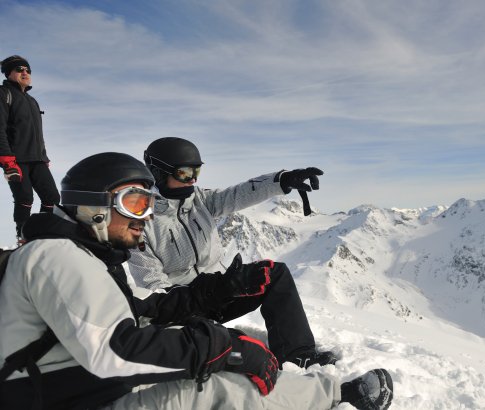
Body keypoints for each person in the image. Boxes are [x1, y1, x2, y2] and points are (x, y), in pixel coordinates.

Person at [0, 152, 393, 410]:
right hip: (72, 397)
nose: (145, 216)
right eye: (135, 203)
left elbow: (137, 314)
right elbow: (115, 350)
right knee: (218, 385)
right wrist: (221, 345)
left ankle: (319, 380)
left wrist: (281, 181)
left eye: (148, 204)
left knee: (264, 290)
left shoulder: (86, 257)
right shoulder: (56, 255)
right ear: (93, 204)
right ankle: (334, 397)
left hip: (84, 387)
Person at [128, 137, 335, 369]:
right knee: (234, 350)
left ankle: (298, 355)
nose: (193, 179)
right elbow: (153, 289)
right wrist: (204, 294)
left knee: (274, 274)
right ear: (158, 173)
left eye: (197, 171)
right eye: (185, 173)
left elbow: (240, 193)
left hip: (224, 291)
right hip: (186, 309)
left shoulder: (200, 200)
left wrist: (282, 181)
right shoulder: (139, 223)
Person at [0, 55, 60, 242]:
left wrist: (44, 155)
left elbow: (36, 133)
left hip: (37, 159)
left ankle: (43, 233)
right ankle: (24, 237)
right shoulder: (4, 94)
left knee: (52, 197)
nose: (25, 72)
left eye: (27, 70)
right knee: (25, 198)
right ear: (9, 73)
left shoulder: (32, 101)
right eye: (19, 69)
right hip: (15, 159)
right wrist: (7, 160)